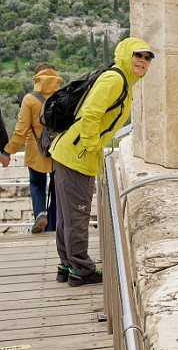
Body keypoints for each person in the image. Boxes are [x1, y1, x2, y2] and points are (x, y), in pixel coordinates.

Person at [51, 37, 154, 287]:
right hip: (77, 154)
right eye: (137, 55)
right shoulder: (116, 79)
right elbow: (91, 113)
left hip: (68, 152)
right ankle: (82, 270)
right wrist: (89, 145)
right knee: (77, 215)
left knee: (67, 215)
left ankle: (67, 264)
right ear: (125, 55)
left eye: (147, 57)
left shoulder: (122, 80)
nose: (142, 61)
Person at [0, 63, 62, 233]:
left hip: (37, 152)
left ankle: (41, 213)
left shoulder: (30, 99)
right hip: (60, 151)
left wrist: (7, 151)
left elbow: (21, 130)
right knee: (57, 190)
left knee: (37, 184)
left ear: (36, 78)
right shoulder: (62, 96)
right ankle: (52, 226)